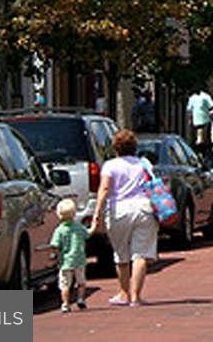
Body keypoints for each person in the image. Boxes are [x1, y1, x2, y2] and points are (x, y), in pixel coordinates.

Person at [89, 129, 158, 306]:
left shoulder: (110, 166)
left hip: (118, 210)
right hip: (143, 207)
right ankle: (136, 296)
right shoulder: (144, 164)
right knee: (140, 254)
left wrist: (97, 213)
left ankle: (124, 293)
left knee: (121, 254)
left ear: (115, 148)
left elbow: (104, 190)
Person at [51, 198, 89, 313]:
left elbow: (55, 245)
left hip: (66, 261)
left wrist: (55, 254)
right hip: (79, 259)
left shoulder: (59, 230)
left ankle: (65, 303)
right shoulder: (79, 227)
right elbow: (87, 234)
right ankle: (81, 299)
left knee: (65, 284)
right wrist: (94, 225)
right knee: (81, 282)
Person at [186, 87, 213, 154]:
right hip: (198, 122)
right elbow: (189, 110)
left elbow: (211, 107)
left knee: (202, 140)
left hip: (202, 121)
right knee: (197, 139)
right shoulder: (193, 97)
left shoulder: (205, 97)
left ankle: (203, 152)